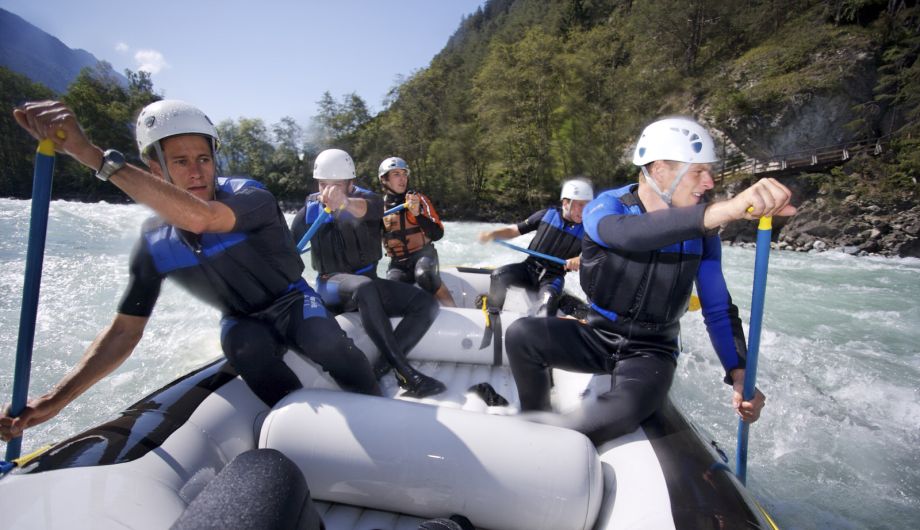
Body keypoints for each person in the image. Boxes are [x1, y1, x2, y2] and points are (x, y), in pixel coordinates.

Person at [0, 100, 382, 443]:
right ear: (155, 169)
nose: (197, 172)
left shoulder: (250, 196)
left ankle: (376, 407)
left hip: (292, 299)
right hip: (243, 319)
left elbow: (203, 219)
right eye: (180, 162)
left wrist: (95, 157)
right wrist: (55, 400)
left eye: (204, 158)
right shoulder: (155, 242)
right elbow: (124, 331)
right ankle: (305, 431)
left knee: (324, 341)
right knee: (241, 346)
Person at [503, 116, 795, 444]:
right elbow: (626, 236)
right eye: (698, 171)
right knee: (521, 334)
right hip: (597, 335)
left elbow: (717, 308)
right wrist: (725, 211)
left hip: (651, 351)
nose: (709, 183)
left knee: (628, 409)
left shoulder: (704, 233)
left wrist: (739, 373)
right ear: (659, 171)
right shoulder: (606, 207)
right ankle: (535, 419)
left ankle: (542, 443)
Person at [291, 149, 446, 398]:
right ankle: (406, 373)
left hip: (367, 282)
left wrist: (344, 203)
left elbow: (364, 209)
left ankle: (381, 367)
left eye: (337, 185)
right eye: (323, 185)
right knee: (364, 287)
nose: (329, 192)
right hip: (331, 285)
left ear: (351, 183)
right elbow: (286, 253)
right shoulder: (308, 213)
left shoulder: (371, 201)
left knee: (425, 303)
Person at [478, 178, 593, 318]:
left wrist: (580, 259)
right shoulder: (546, 215)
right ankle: (492, 315)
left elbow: (598, 255)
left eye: (588, 205)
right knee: (499, 275)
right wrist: (493, 234)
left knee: (547, 302)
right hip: (528, 268)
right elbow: (515, 230)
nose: (584, 210)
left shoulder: (589, 229)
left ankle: (540, 328)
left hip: (552, 278)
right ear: (566, 202)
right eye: (580, 205)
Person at [378, 156, 456, 307]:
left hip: (424, 255)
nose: (402, 179)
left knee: (424, 276)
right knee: (390, 290)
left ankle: (454, 309)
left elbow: (437, 234)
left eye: (404, 174)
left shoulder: (418, 199)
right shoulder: (379, 207)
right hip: (398, 263)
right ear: (384, 179)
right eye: (396, 174)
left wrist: (417, 214)